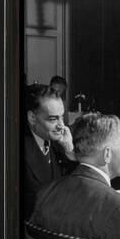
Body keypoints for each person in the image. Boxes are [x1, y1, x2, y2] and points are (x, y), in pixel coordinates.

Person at [24, 83, 75, 219]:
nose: (61, 126)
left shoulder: (59, 141)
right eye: (53, 119)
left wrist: (69, 150)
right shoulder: (18, 151)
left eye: (62, 117)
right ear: (32, 118)